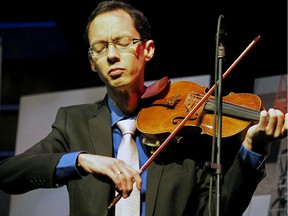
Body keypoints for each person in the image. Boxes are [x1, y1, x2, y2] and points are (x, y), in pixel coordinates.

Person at [0, 1, 287, 216]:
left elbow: (220, 209)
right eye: (99, 48)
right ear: (91, 62)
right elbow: (9, 173)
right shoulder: (72, 122)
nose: (111, 55)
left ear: (147, 49)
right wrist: (82, 160)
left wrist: (252, 146)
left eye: (123, 42)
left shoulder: (185, 130)